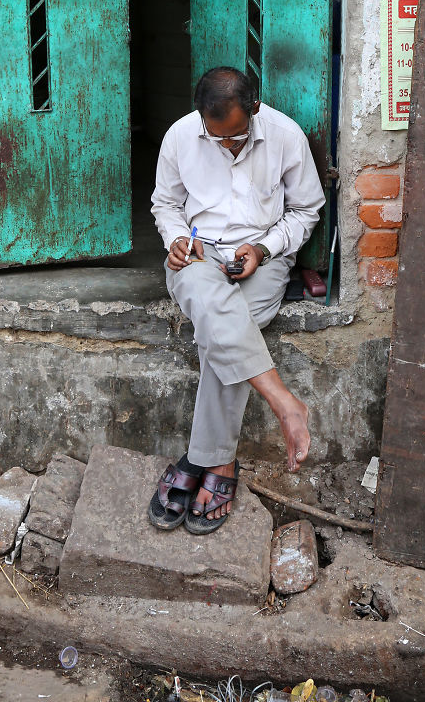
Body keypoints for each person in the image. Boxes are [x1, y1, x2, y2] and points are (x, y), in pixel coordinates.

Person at [148, 65, 325, 535]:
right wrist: (177, 238)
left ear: (255, 109)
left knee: (224, 328)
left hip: (264, 259)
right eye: (215, 136)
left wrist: (263, 248)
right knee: (219, 309)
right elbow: (164, 203)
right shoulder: (181, 136)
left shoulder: (286, 136)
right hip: (198, 256)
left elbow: (307, 210)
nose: (225, 146)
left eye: (236, 137)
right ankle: (282, 406)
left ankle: (203, 457)